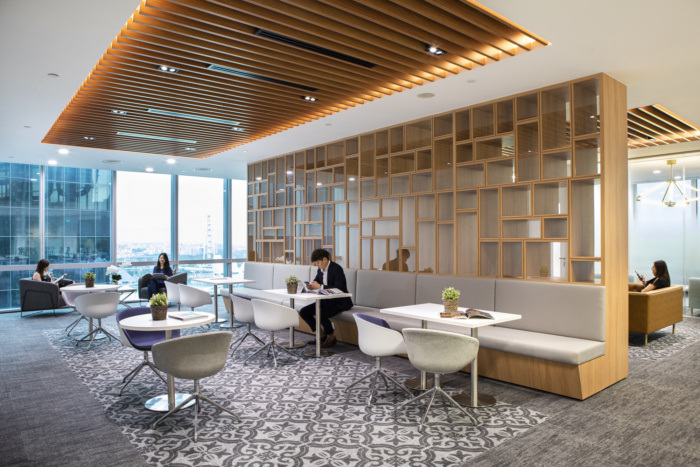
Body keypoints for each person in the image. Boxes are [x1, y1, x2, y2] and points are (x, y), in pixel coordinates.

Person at [299, 249, 353, 348]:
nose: (317, 265)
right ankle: (321, 335)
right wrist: (311, 285)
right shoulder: (320, 270)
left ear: (324, 259)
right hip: (326, 300)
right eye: (315, 263)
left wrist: (320, 286)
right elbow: (316, 281)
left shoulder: (337, 269)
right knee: (304, 312)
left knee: (321, 314)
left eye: (318, 263)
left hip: (339, 301)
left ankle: (331, 337)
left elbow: (339, 288)